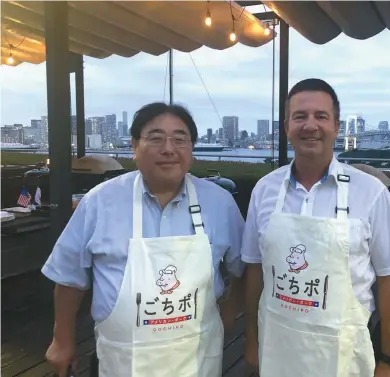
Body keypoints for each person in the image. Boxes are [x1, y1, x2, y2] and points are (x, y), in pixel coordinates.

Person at [42, 102, 245, 377]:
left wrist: (230, 310)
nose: (169, 149)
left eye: (180, 139)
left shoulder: (220, 203)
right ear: (134, 146)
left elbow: (244, 267)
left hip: (197, 360)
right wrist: (62, 339)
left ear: (191, 149)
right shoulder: (100, 202)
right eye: (156, 138)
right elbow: (69, 277)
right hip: (122, 362)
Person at [242, 79, 390, 377]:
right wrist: (251, 340)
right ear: (286, 127)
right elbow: (256, 271)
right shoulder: (264, 190)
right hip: (277, 352)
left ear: (336, 126)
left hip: (344, 357)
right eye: (300, 117)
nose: (310, 125)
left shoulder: (370, 192)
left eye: (321, 116)